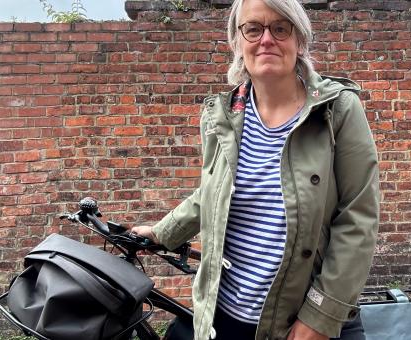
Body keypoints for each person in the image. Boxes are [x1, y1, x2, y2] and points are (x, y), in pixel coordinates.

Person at [132, 0, 379, 339]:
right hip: (228, 317)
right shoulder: (222, 115)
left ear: (300, 40)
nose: (267, 39)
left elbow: (358, 218)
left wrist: (319, 318)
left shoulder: (336, 110)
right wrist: (162, 232)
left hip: (303, 322)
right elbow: (212, 194)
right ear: (238, 41)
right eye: (253, 29)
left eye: (281, 28)